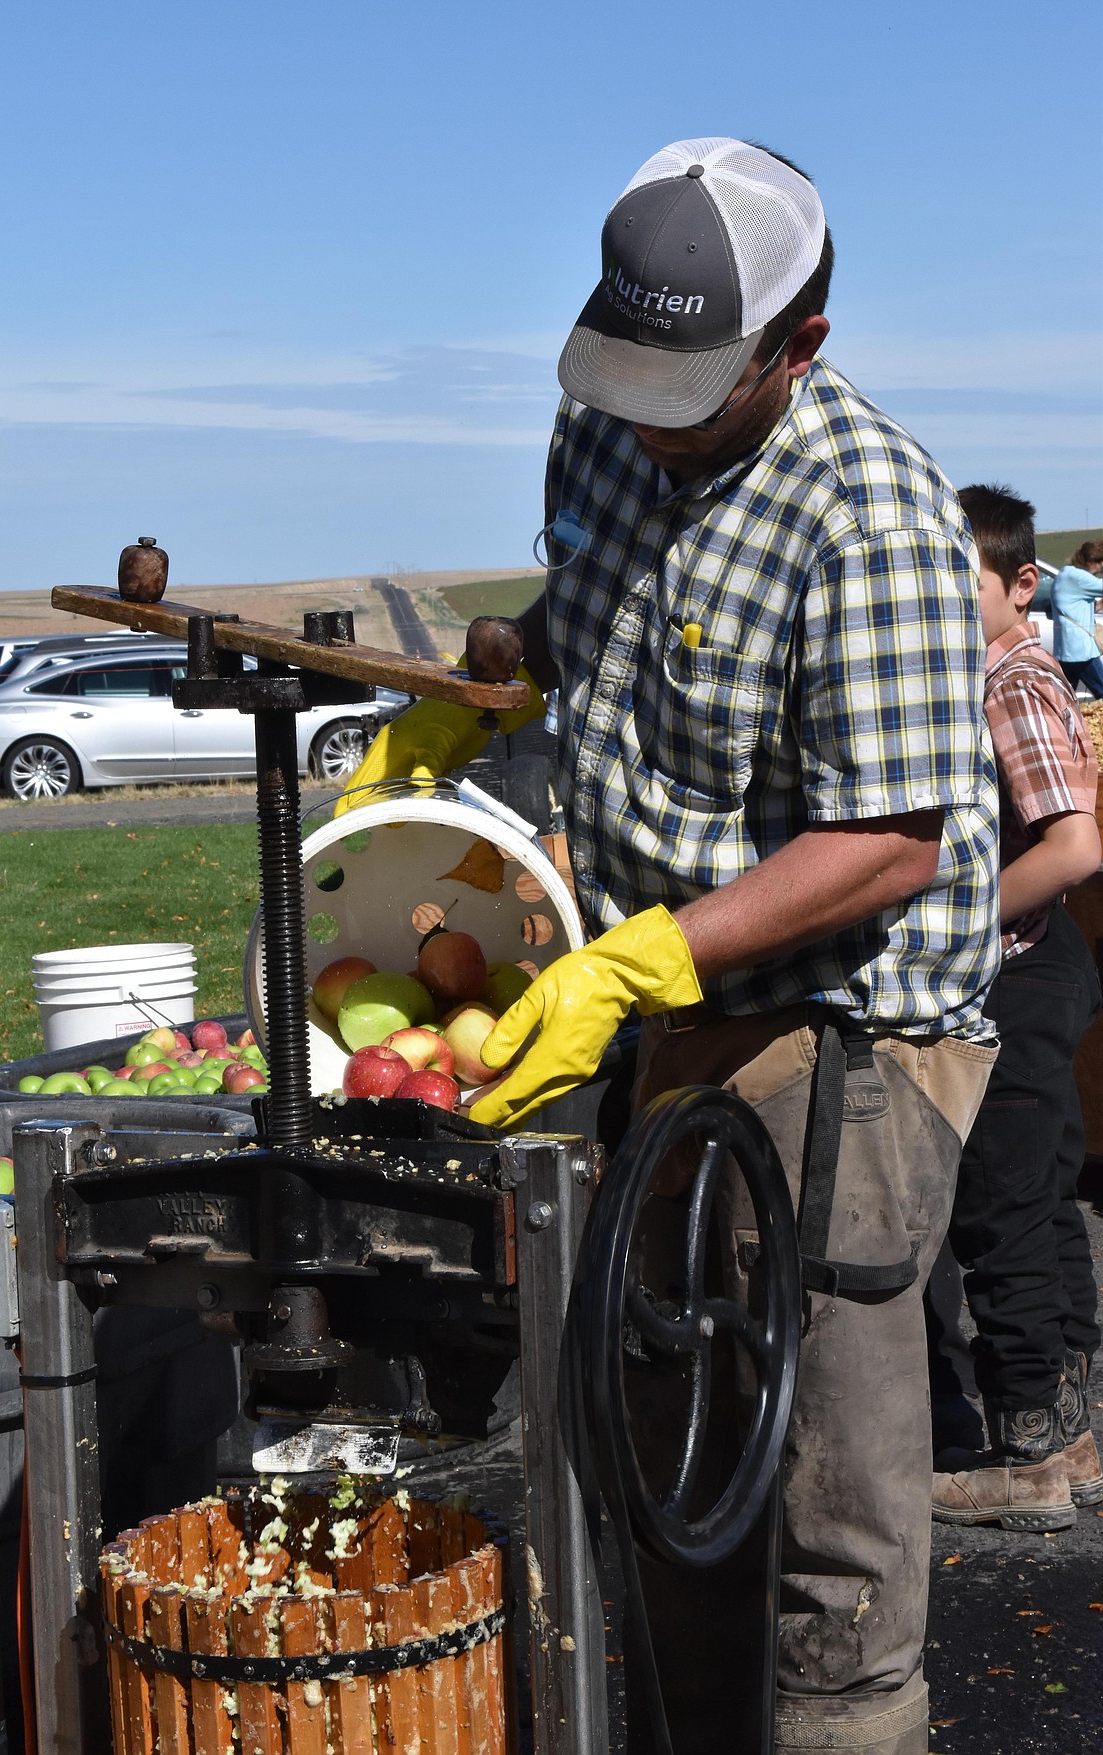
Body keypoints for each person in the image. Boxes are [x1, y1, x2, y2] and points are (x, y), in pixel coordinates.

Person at [343, 139, 1000, 1755]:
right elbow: (603, 605)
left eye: (686, 392)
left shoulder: (872, 509)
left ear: (800, 348)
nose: (646, 417)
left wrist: (637, 968)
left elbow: (888, 841)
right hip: (670, 997)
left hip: (840, 1018)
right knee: (663, 1454)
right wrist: (496, 676)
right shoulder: (608, 416)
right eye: (625, 373)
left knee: (822, 1498)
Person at [931, 486, 1102, 1530]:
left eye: (968, 584)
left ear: (1021, 584)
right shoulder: (1013, 672)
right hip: (1044, 964)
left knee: (1001, 1207)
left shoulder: (1008, 683)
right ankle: (1073, 1437)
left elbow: (1075, 847)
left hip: (1017, 965)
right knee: (1044, 1192)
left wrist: (963, 924)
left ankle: (1029, 1450)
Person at [1051, 539, 1103, 698]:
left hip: (1066, 650)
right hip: (1080, 651)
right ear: (1094, 562)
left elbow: (1072, 607)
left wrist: (1097, 606)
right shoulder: (1078, 577)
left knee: (1063, 699)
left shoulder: (1065, 574)